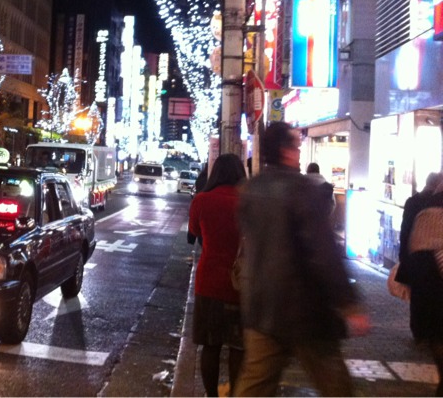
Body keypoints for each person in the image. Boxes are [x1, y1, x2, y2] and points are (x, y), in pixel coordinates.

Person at [234, 122, 369, 397]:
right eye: (296, 146)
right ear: (286, 151)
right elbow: (324, 252)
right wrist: (349, 304)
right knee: (336, 388)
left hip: (261, 306)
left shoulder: (250, 190)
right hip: (306, 311)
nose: (298, 152)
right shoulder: (303, 190)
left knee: (254, 387)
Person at [188, 153, 247, 397]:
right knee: (238, 348)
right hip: (240, 284)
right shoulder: (248, 203)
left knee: (210, 346)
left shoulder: (202, 200)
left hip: (208, 282)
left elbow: (193, 233)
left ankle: (211, 395)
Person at [396, 172, 443, 396]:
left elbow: (407, 237)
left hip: (424, 279)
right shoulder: (431, 212)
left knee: (435, 335)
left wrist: (404, 262)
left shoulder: (421, 207)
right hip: (432, 280)